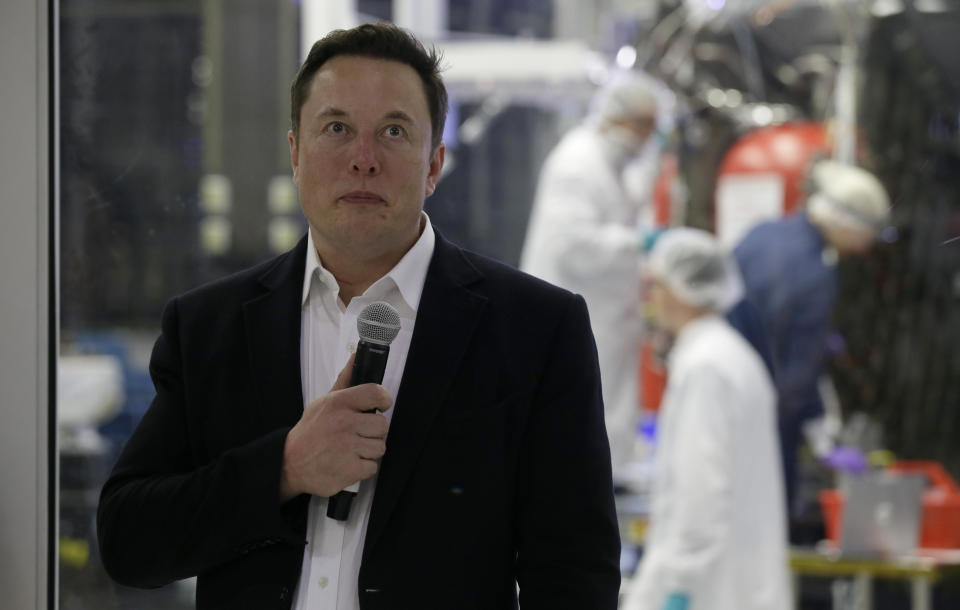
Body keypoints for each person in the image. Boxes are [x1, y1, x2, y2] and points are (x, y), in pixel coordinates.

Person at [97, 22, 620, 609]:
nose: (363, 160)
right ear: (295, 153)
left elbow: (577, 579)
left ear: (433, 165)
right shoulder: (209, 326)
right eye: (337, 128)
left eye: (393, 131)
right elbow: (130, 543)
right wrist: (285, 467)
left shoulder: (536, 330)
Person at [624, 228, 790, 610]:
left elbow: (700, 495)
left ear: (678, 291)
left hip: (711, 592)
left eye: (655, 287)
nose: (649, 301)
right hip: (740, 587)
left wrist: (676, 588)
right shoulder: (732, 355)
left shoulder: (704, 369)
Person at [733, 159, 891, 526]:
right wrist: (819, 433)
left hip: (727, 399)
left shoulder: (762, 233)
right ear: (845, 222)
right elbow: (796, 378)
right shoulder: (817, 277)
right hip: (768, 422)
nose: (866, 246)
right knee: (767, 526)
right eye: (868, 232)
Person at [520, 77, 658, 484]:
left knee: (604, 402)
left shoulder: (609, 163)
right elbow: (574, 246)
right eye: (643, 127)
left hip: (607, 312)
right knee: (576, 408)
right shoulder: (577, 163)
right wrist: (639, 243)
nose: (646, 139)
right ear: (618, 119)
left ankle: (609, 476)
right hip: (580, 308)